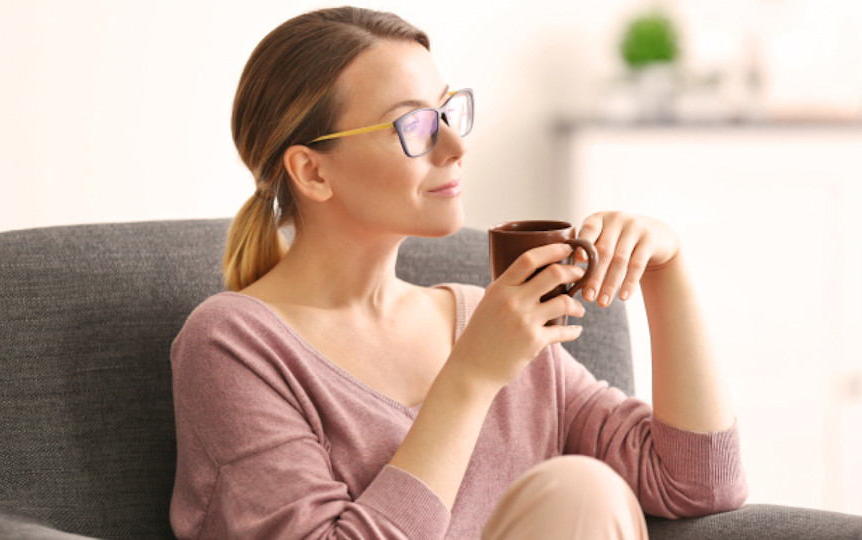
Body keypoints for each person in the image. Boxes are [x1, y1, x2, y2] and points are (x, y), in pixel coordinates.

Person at [168, 6, 747, 539]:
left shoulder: (494, 321)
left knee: (585, 487)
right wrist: (470, 377)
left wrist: (667, 271)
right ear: (313, 172)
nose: (455, 145)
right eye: (415, 125)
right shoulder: (232, 344)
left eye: (447, 111)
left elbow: (699, 484)